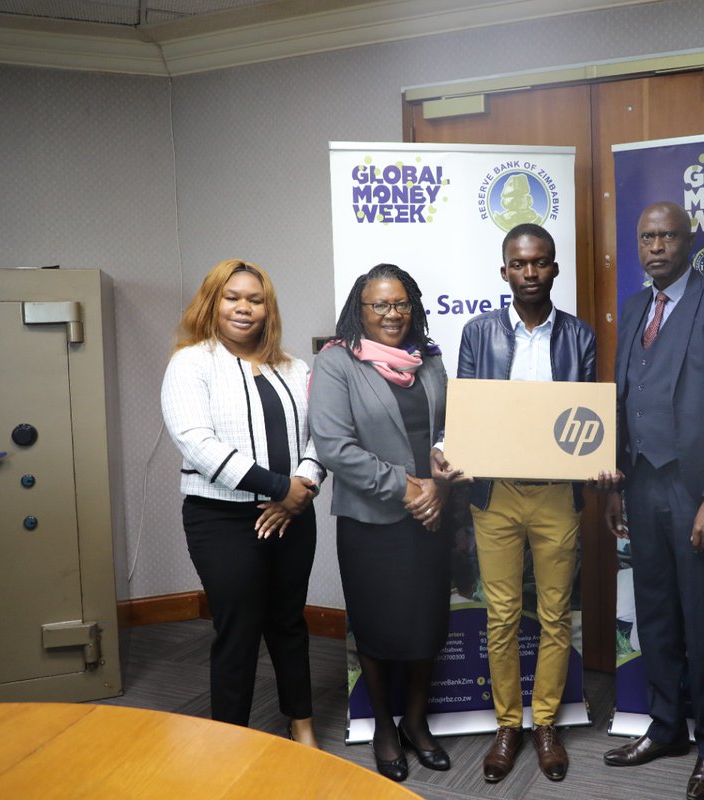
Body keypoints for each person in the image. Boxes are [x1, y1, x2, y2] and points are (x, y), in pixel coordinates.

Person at [598, 201, 704, 800]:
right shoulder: (634, 307)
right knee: (655, 611)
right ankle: (665, 728)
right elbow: (624, 397)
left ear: (689, 242)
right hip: (641, 483)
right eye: (647, 237)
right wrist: (617, 483)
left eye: (667, 236)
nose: (656, 246)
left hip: (697, 489)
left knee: (703, 617)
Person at [431, 223, 596, 783]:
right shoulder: (479, 333)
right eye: (520, 264)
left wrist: (600, 460)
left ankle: (544, 723)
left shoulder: (579, 335)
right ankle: (508, 725)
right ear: (504, 271)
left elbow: (589, 418)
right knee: (500, 615)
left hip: (557, 495)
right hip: (495, 494)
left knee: (554, 613)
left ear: (554, 268)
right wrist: (451, 448)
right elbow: (467, 408)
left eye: (540, 262)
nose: (530, 273)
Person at [161, 258, 325, 747]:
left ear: (267, 308)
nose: (244, 307)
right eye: (232, 297)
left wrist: (300, 489)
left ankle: (301, 723)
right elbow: (196, 442)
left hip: (294, 515)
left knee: (289, 621)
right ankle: (231, 741)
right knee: (239, 629)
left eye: (255, 299)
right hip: (222, 519)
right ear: (213, 302)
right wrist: (279, 488)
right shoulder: (191, 363)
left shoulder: (295, 368)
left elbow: (321, 436)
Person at [308, 264, 452, 783]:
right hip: (370, 520)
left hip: (431, 515)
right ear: (360, 310)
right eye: (380, 305)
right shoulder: (336, 362)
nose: (392, 314)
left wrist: (437, 486)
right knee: (375, 625)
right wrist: (406, 487)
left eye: (401, 303)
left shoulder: (428, 359)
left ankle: (415, 721)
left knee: (426, 622)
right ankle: (385, 729)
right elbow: (334, 447)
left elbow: (448, 429)